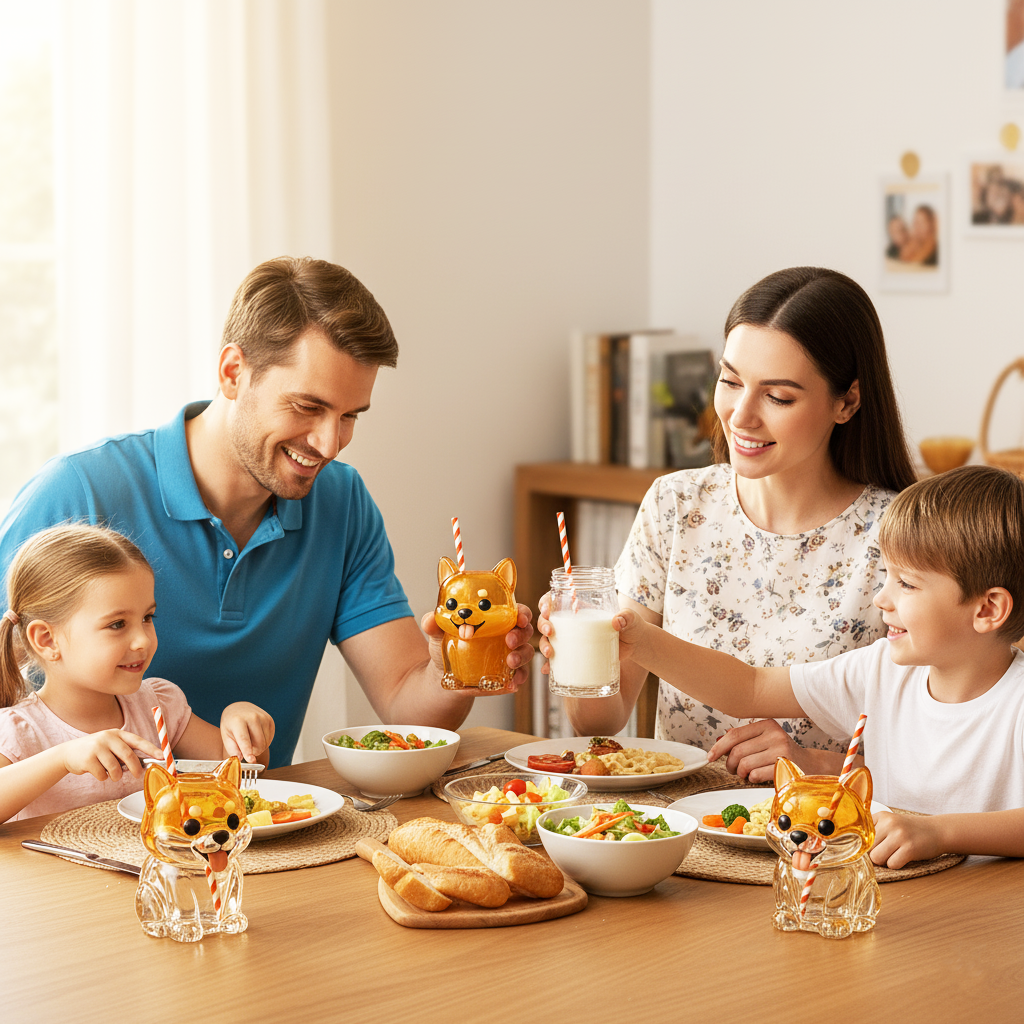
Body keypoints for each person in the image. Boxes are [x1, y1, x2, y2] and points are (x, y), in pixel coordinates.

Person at [0, 257, 534, 767]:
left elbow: (404, 701)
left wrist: (452, 667)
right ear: (233, 372)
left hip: (254, 827)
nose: (330, 443)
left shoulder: (342, 503)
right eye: (308, 407)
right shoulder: (77, 493)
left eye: (350, 415)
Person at [540, 267, 917, 782]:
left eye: (778, 396)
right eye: (730, 381)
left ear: (846, 401)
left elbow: (941, 749)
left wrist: (816, 766)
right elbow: (602, 723)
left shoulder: (901, 535)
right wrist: (574, 658)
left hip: (822, 837)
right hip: (676, 829)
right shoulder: (676, 504)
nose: (740, 415)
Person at [584, 466, 1024, 868]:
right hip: (893, 899)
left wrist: (939, 831)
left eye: (906, 584)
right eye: (886, 577)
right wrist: (640, 640)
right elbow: (749, 688)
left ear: (988, 609)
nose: (881, 599)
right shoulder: (881, 671)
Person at [0, 524, 275, 821]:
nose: (143, 640)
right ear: (47, 640)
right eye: (117, 624)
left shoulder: (157, 703)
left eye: (147, 617)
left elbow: (240, 771)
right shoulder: (18, 731)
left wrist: (243, 728)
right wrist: (63, 758)